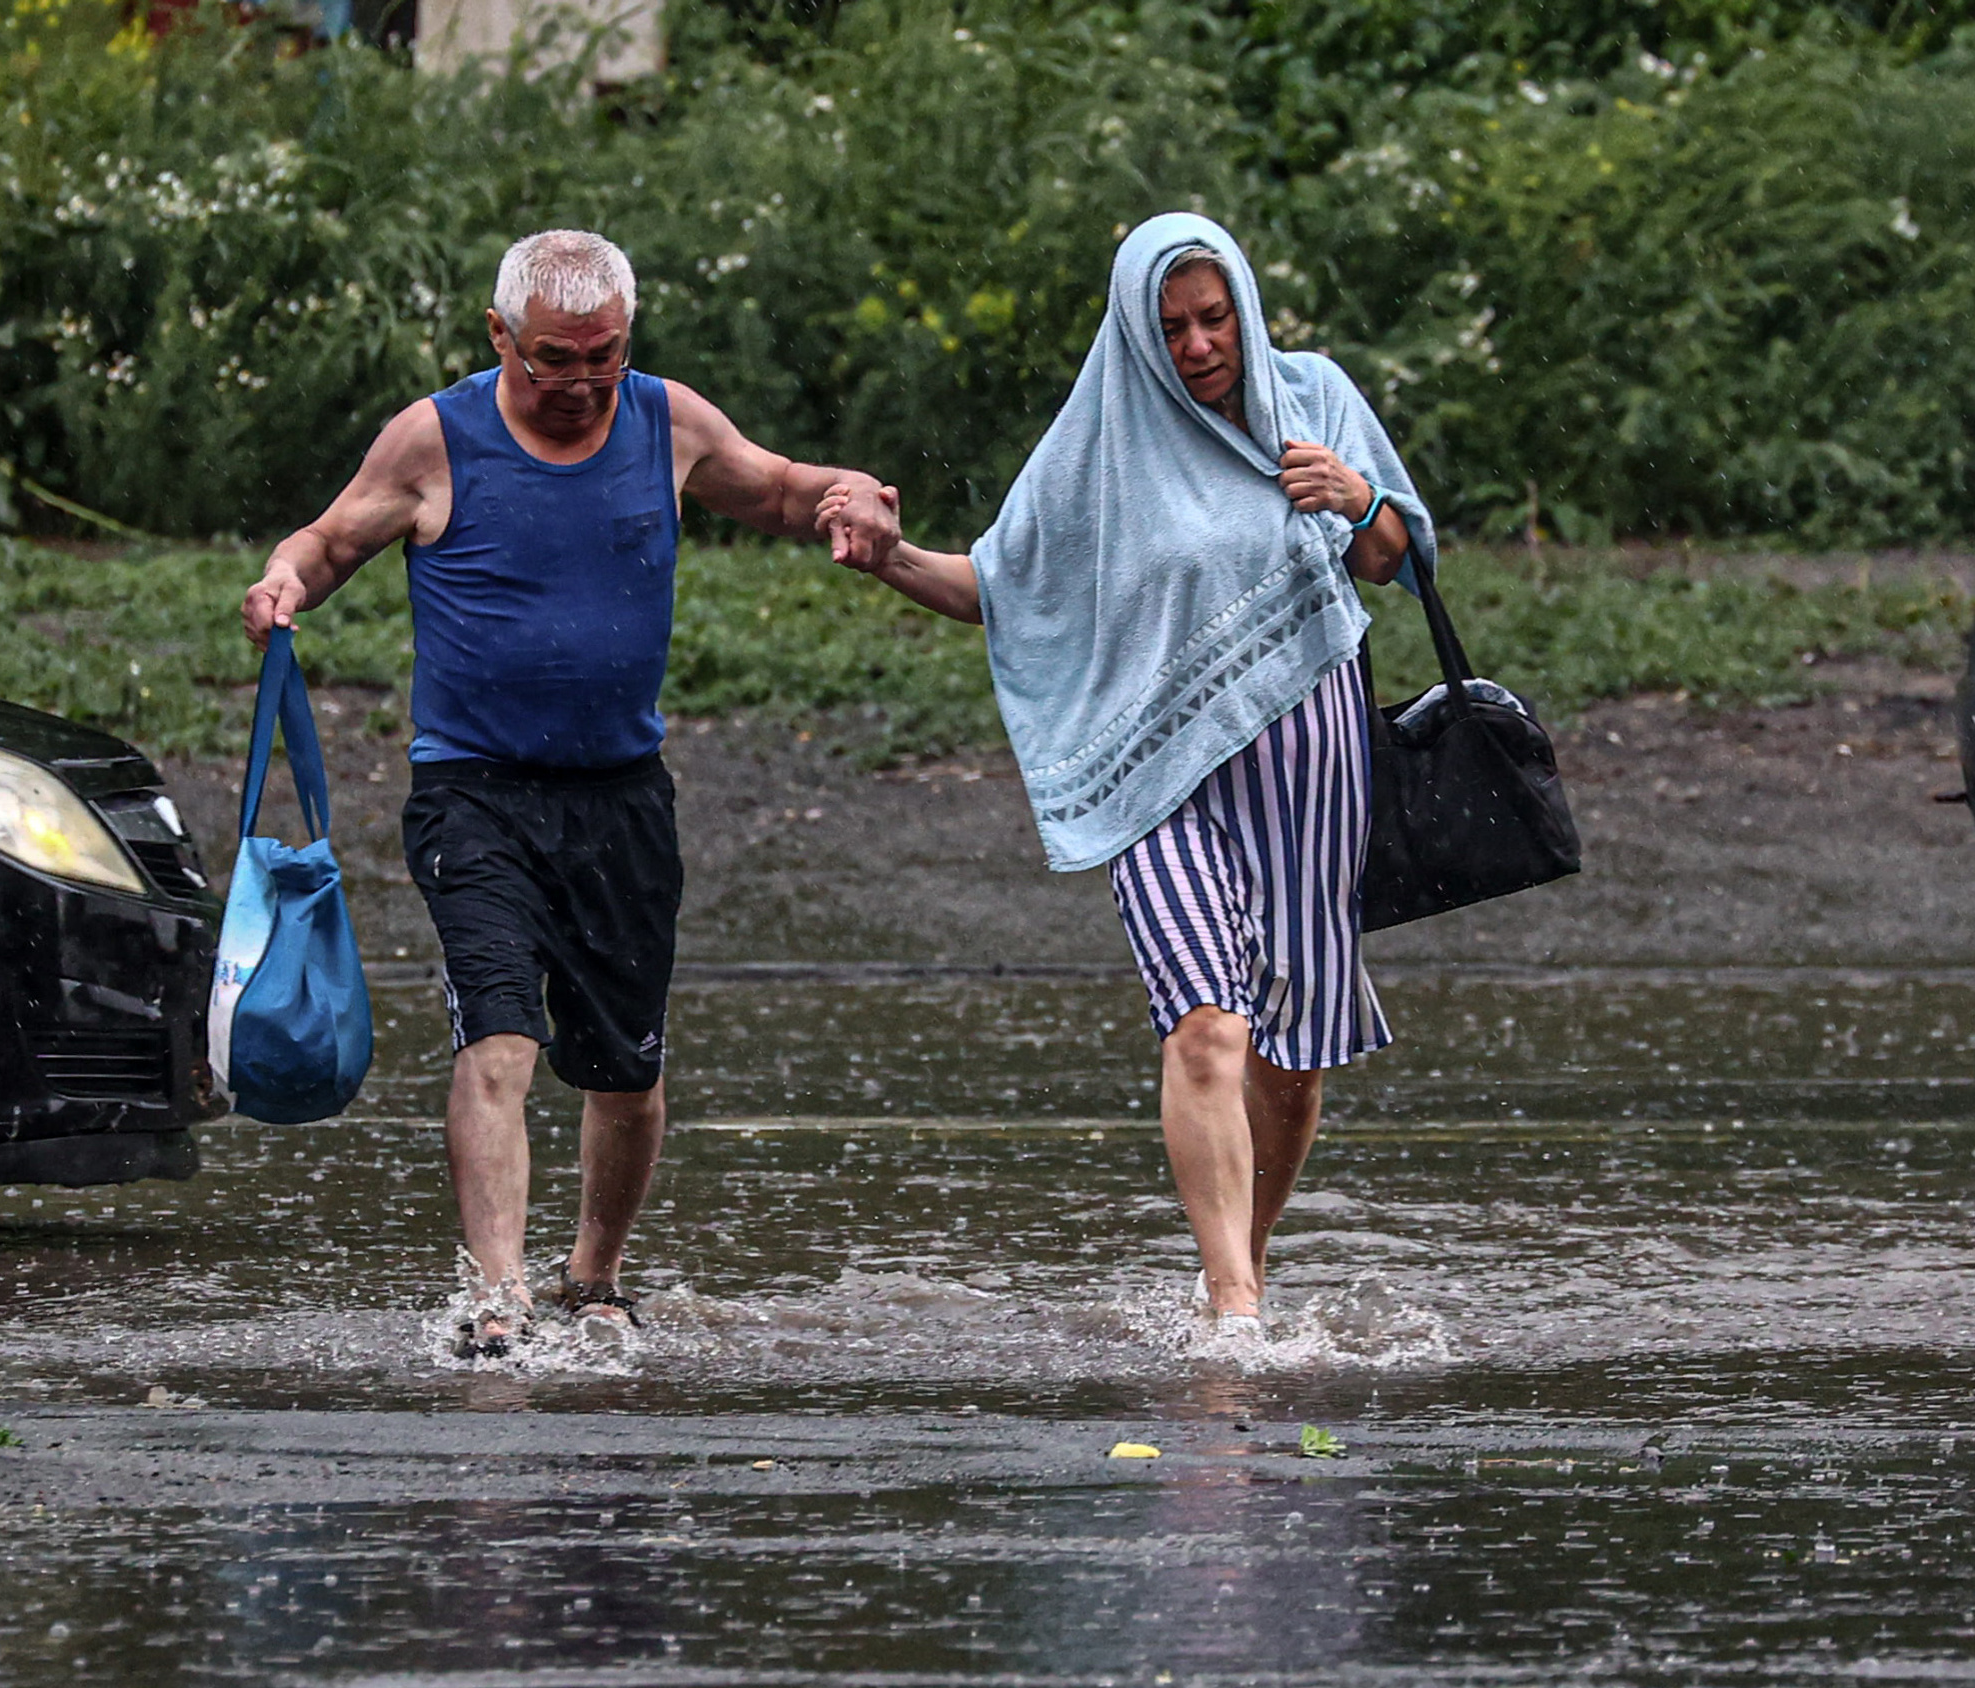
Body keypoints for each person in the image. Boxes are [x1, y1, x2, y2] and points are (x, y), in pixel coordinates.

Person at [242, 229, 899, 1357]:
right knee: (499, 1041)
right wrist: (283, 578)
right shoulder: (434, 440)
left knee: (627, 1071)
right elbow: (333, 537)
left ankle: (594, 1273)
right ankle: (498, 1298)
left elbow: (780, 490)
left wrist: (846, 495)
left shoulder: (665, 421)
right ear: (500, 336)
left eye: (603, 354)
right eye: (555, 357)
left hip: (621, 799)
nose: (583, 380)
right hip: (474, 796)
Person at [823, 212, 1431, 1342]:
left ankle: (1236, 1264)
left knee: (1289, 1056)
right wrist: (891, 555)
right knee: (1206, 1023)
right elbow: (996, 587)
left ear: (1244, 307)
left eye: (1213, 320)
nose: (1199, 346)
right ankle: (1238, 1311)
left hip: (1312, 760)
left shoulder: (1315, 398)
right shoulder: (1097, 445)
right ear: (1136, 335)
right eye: (1173, 328)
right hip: (1156, 780)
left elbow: (1394, 557)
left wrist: (1359, 498)